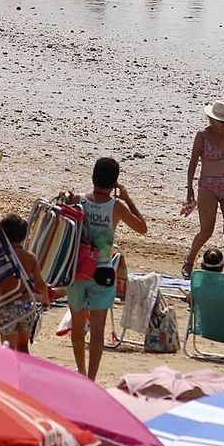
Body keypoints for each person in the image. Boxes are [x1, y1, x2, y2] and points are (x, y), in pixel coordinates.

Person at [69, 157, 147, 379]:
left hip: (77, 272)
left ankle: (81, 371)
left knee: (77, 329)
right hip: (102, 273)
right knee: (97, 332)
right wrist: (128, 199)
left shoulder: (78, 200)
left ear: (93, 176)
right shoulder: (117, 207)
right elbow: (142, 228)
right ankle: (91, 378)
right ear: (114, 183)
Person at [180, 99, 224, 275]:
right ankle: (189, 260)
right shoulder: (202, 136)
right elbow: (193, 162)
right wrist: (189, 188)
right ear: (213, 120)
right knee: (207, 230)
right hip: (208, 185)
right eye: (223, 121)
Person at [0, 213, 48, 353]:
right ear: (24, 236)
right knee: (23, 347)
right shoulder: (30, 257)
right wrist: (45, 299)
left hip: (7, 305)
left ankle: (10, 373)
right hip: (26, 306)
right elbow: (40, 284)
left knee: (8, 348)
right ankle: (24, 373)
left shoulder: (1, 257)